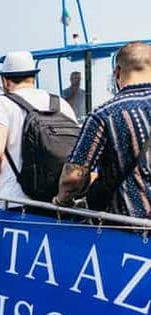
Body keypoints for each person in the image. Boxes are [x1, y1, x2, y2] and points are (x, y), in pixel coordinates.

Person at [56, 42, 151, 219]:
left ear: (117, 73)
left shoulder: (105, 114)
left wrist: (63, 202)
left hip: (128, 228)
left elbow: (73, 177)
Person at [0, 51, 77, 206]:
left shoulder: (1, 104)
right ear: (33, 77)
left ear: (5, 81)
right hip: (57, 203)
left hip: (15, 202)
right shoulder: (60, 103)